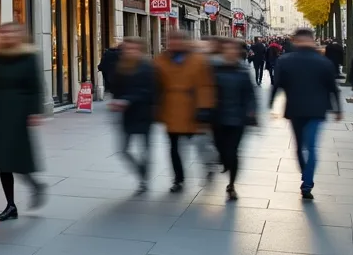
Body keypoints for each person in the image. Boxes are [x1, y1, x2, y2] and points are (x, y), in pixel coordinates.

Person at [0, 22, 46, 221]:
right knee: (1, 161)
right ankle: (11, 205)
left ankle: (34, 184)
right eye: (3, 33)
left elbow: (36, 85)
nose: (6, 36)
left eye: (11, 32)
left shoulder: (28, 56)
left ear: (20, 35)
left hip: (19, 111)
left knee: (15, 157)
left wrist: (34, 112)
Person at [271, 28, 343, 199]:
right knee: (310, 146)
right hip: (317, 110)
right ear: (312, 40)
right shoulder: (324, 62)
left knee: (300, 147)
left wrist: (269, 105)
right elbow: (333, 88)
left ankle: (306, 174)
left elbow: (277, 84)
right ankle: (308, 181)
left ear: (295, 41)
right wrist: (338, 109)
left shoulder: (285, 60)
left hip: (295, 110)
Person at [153, 30, 215, 192]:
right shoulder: (161, 60)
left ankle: (208, 166)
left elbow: (205, 86)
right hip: (171, 109)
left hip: (192, 109)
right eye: (170, 40)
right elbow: (155, 84)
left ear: (185, 42)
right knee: (174, 148)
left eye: (177, 40)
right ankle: (178, 179)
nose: (173, 43)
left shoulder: (198, 60)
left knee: (200, 145)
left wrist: (204, 108)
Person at [107, 37, 158, 194]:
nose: (130, 51)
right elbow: (115, 88)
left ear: (140, 50)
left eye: (133, 48)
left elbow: (149, 92)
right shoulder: (120, 67)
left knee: (145, 149)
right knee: (123, 150)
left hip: (144, 114)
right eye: (127, 49)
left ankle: (144, 179)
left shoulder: (147, 67)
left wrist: (127, 100)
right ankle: (140, 172)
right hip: (126, 115)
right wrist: (115, 101)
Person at [210, 38, 259, 200]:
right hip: (217, 117)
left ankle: (231, 185)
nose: (230, 52)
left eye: (233, 50)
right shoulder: (214, 69)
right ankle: (225, 161)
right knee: (221, 149)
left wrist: (251, 111)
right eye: (227, 49)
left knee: (233, 152)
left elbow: (250, 95)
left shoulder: (243, 72)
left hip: (237, 118)